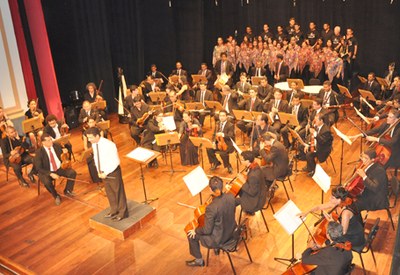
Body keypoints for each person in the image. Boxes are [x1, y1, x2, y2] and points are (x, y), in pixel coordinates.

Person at [186, 176, 236, 267]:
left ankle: (199, 260)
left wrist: (195, 230)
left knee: (190, 235)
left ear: (210, 189)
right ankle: (216, 249)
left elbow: (207, 230)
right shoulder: (231, 196)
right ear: (223, 186)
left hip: (219, 239)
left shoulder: (211, 208)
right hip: (232, 233)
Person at [299, 186, 365, 247]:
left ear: (339, 200)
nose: (329, 198)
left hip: (354, 237)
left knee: (327, 242)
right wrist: (306, 212)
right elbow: (319, 206)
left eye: (332, 198)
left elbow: (343, 232)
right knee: (327, 237)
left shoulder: (345, 213)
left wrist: (332, 222)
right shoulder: (339, 202)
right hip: (350, 229)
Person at [87, 127, 128, 221]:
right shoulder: (94, 144)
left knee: (118, 192)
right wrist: (99, 171)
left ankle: (123, 213)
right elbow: (97, 159)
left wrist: (106, 172)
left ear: (97, 136)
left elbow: (115, 161)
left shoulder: (109, 145)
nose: (89, 140)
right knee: (109, 192)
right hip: (103, 172)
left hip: (112, 171)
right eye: (88, 138)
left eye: (91, 137)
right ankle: (114, 210)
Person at [33, 133, 77, 205]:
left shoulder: (57, 145)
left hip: (59, 168)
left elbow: (65, 159)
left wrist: (66, 153)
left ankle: (68, 190)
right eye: (48, 141)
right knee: (47, 182)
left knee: (72, 173)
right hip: (46, 171)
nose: (51, 142)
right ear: (43, 142)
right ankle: (56, 196)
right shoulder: (39, 152)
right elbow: (38, 168)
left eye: (51, 139)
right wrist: (50, 173)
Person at [82, 116, 103, 184]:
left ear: (95, 122)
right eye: (89, 122)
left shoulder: (99, 130)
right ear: (88, 123)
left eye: (92, 122)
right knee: (90, 159)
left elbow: (101, 140)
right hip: (90, 148)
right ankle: (96, 179)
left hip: (99, 146)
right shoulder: (85, 132)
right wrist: (89, 151)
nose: (91, 123)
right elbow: (85, 145)